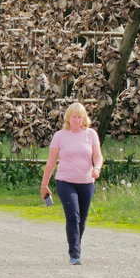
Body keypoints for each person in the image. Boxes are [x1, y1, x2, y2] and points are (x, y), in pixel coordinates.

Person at [40, 102, 104, 265]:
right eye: (74, 117)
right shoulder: (60, 136)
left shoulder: (91, 134)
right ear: (68, 118)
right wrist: (44, 185)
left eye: (80, 117)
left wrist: (97, 168)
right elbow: (51, 162)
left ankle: (76, 245)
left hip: (86, 182)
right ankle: (75, 254)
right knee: (73, 215)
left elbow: (98, 156)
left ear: (84, 119)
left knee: (82, 218)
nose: (77, 120)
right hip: (65, 181)